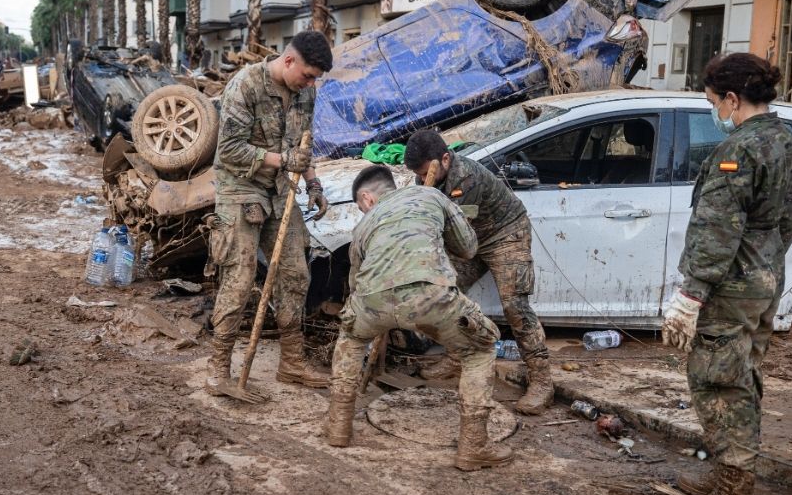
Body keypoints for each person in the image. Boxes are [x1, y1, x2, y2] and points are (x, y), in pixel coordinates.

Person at [662, 53, 792, 495]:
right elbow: (784, 221)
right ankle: (727, 477)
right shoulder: (787, 140)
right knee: (744, 373)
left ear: (732, 98)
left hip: (732, 282)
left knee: (719, 382)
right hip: (765, 275)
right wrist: (767, 266)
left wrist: (691, 296)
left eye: (714, 102)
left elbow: (716, 229)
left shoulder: (740, 151)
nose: (715, 112)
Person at [324, 165, 513, 470]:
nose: (363, 212)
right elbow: (468, 248)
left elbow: (355, 283)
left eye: (360, 207)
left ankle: (338, 427)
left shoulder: (363, 227)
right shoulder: (431, 195)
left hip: (372, 300)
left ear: (367, 199)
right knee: (479, 350)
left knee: (351, 337)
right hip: (430, 295)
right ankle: (474, 446)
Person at [205, 30, 333, 396]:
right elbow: (229, 149)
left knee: (295, 275)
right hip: (240, 190)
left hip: (281, 192)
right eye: (308, 74)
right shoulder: (245, 85)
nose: (311, 83)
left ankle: (291, 363)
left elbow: (302, 145)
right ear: (288, 60)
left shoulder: (307, 92)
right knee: (240, 278)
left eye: (315, 79)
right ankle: (217, 370)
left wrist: (314, 184)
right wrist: (282, 160)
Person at [403, 130, 552, 414]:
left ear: (444, 159)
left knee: (515, 306)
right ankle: (457, 357)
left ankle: (542, 382)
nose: (423, 180)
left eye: (425, 173)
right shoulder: (428, 176)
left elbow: (454, 232)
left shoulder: (466, 179)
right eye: (419, 176)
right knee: (444, 294)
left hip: (504, 233)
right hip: (469, 238)